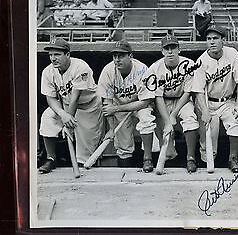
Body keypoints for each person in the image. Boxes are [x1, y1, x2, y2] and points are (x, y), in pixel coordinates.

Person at [38, 38, 104, 173]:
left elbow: (76, 97)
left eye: (57, 54)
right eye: (50, 55)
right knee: (47, 117)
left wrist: (68, 122)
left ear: (67, 54)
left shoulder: (81, 67)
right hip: (66, 105)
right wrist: (63, 115)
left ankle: (85, 178)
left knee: (85, 156)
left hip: (89, 107)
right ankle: (51, 158)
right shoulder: (48, 72)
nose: (53, 58)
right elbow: (50, 98)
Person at [192, 25, 238, 173]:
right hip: (208, 102)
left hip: (227, 101)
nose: (212, 42)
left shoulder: (232, 54)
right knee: (208, 136)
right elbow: (198, 91)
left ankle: (233, 158)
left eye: (215, 38)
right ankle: (207, 161)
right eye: (209, 39)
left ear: (223, 40)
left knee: (237, 120)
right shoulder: (201, 61)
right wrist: (204, 110)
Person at [140, 35, 200, 173]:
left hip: (182, 100)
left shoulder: (189, 64)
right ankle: (149, 159)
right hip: (163, 101)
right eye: (167, 48)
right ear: (162, 51)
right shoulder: (155, 68)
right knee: (165, 138)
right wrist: (167, 121)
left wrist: (173, 115)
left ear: (179, 49)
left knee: (190, 118)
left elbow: (187, 92)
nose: (170, 51)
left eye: (173, 47)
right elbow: (158, 97)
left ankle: (190, 157)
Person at [97, 40, 158, 170]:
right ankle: (124, 173)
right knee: (123, 145)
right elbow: (107, 104)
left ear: (130, 56)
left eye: (121, 56)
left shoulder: (142, 70)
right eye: (115, 56)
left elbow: (145, 101)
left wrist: (117, 108)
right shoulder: (108, 71)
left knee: (146, 119)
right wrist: (112, 129)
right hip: (118, 105)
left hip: (139, 104)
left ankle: (147, 159)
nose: (117, 59)